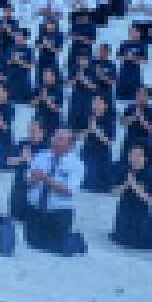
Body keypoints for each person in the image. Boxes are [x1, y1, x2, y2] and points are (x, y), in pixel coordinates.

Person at [25, 128, 85, 256]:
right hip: (36, 210)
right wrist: (35, 178)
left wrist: (45, 179)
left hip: (59, 213)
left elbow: (69, 190)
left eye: (60, 139)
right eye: (55, 137)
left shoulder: (77, 164)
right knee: (32, 243)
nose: (55, 141)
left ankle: (77, 240)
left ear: (70, 145)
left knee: (57, 249)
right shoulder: (41, 156)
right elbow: (27, 182)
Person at [109, 144, 152, 250]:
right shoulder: (124, 170)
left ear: (144, 158)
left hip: (141, 213)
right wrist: (126, 184)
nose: (135, 159)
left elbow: (150, 198)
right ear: (129, 157)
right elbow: (114, 192)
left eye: (138, 156)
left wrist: (134, 185)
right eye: (132, 155)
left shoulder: (149, 174)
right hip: (125, 210)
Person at [82, 94, 117, 193]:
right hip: (89, 151)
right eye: (95, 102)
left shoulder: (109, 120)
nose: (96, 105)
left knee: (103, 185)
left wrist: (96, 130)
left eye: (99, 103)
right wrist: (89, 129)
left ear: (105, 106)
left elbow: (109, 142)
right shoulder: (89, 117)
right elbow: (83, 137)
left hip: (102, 153)